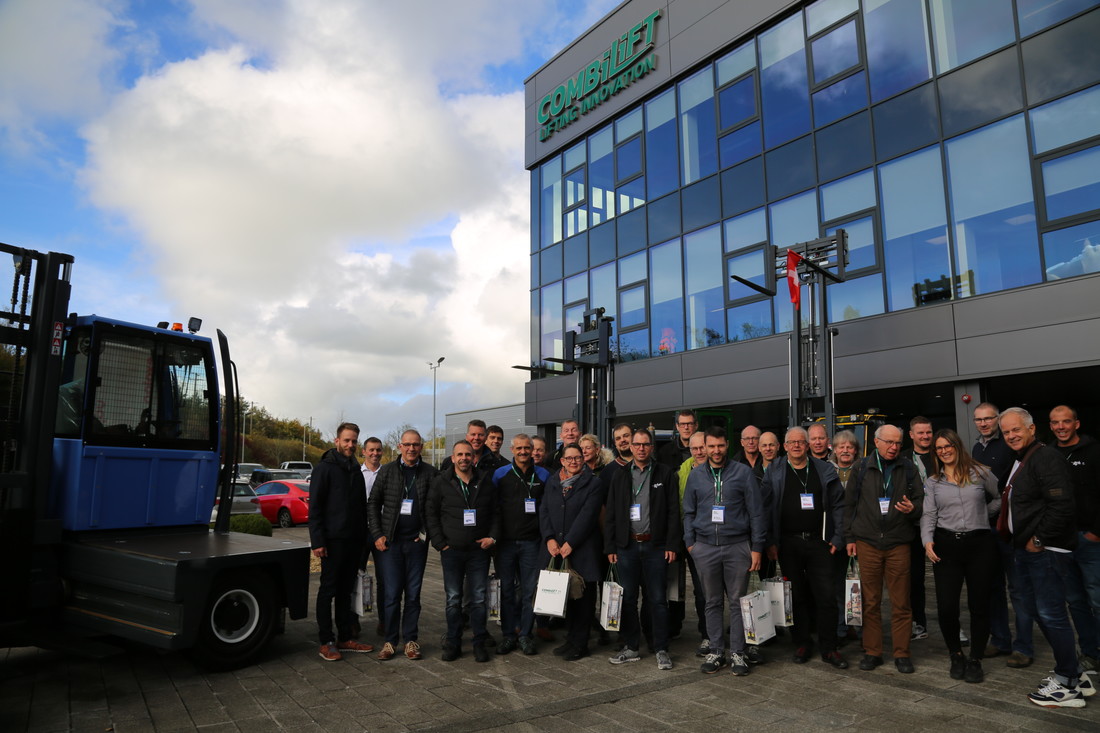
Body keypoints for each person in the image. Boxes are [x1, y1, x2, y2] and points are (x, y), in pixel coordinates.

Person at [998, 407, 1086, 707]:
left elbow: (1062, 505)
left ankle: (1067, 683)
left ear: (1032, 429)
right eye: (1006, 431)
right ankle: (1074, 671)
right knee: (1040, 611)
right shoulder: (1025, 458)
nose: (1011, 435)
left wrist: (1039, 539)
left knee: (1051, 614)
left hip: (1045, 551)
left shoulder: (1045, 457)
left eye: (1016, 429)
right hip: (1029, 550)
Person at [683, 426, 766, 677]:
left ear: (727, 445)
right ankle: (717, 650)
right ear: (704, 448)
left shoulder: (742, 473)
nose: (716, 451)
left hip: (737, 545)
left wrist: (757, 547)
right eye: (711, 446)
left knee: (738, 601)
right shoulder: (696, 475)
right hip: (705, 546)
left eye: (720, 445)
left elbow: (756, 512)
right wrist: (691, 544)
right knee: (712, 601)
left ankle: (738, 652)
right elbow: (688, 511)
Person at [764, 427, 848, 669]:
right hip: (788, 543)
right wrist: (770, 541)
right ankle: (802, 642)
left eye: (801, 442)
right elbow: (766, 507)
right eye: (792, 442)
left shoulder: (823, 470)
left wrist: (838, 536)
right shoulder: (775, 470)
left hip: (820, 542)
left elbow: (839, 506)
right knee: (797, 596)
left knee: (826, 597)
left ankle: (829, 648)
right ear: (785, 446)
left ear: (808, 445)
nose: (797, 446)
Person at [921, 429, 1000, 683]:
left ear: (957, 446)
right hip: (947, 545)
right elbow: (929, 514)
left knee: (979, 605)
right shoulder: (933, 481)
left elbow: (1000, 497)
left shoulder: (981, 472)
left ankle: (975, 658)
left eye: (948, 446)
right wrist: (927, 540)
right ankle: (955, 654)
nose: (943, 451)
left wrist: (982, 515)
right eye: (939, 448)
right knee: (946, 607)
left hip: (980, 546)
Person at [844, 424, 923, 674]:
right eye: (889, 442)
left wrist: (914, 509)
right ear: (876, 442)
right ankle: (873, 651)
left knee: (901, 602)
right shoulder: (861, 467)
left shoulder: (908, 467)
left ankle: (902, 653)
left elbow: (922, 499)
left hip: (898, 542)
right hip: (867, 542)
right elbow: (849, 505)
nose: (894, 447)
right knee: (871, 601)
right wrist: (850, 538)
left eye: (898, 443)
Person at [604, 428, 681, 670]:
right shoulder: (620, 475)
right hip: (626, 547)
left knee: (657, 599)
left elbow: (673, 513)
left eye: (645, 444)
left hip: (655, 547)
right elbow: (612, 513)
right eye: (636, 444)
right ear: (631, 446)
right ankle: (631, 646)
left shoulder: (665, 473)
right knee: (627, 599)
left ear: (651, 447)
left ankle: (660, 648)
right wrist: (611, 546)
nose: (640, 448)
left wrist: (671, 544)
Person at [367, 428, 436, 661]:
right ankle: (389, 641)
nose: (411, 448)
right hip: (391, 544)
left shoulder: (430, 473)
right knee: (392, 594)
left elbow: (435, 508)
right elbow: (373, 504)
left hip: (417, 545)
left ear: (421, 447)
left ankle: (410, 640)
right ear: (399, 447)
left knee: (414, 595)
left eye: (415, 444)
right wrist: (377, 534)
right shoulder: (387, 471)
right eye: (407, 444)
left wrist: (425, 534)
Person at [427, 440, 496, 662]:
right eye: (460, 454)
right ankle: (453, 643)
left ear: (474, 457)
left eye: (468, 454)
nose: (464, 458)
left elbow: (497, 512)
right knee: (453, 599)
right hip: (452, 551)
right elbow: (431, 514)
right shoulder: (441, 481)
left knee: (478, 599)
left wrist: (492, 537)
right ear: (453, 457)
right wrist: (440, 543)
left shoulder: (485, 481)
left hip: (478, 551)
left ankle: (478, 643)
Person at [310, 422, 372, 661]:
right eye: (347, 440)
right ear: (337, 441)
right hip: (331, 541)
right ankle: (326, 641)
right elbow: (315, 507)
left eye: (354, 441)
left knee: (346, 592)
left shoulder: (354, 468)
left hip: (353, 541)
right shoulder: (324, 469)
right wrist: (318, 541)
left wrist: (363, 537)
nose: (351, 445)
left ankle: (345, 637)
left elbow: (360, 506)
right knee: (328, 590)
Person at [973, 401, 1028, 664]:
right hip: (987, 529)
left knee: (1018, 589)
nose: (983, 423)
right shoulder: (975, 448)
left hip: (1009, 528)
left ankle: (1024, 647)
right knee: (993, 588)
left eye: (988, 418)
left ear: (998, 419)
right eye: (979, 420)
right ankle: (1000, 641)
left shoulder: (1010, 445)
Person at [540, 443, 604, 660]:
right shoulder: (553, 481)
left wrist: (571, 541)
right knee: (568, 598)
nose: (574, 462)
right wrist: (549, 538)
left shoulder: (594, 483)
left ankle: (580, 643)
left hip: (582, 549)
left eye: (578, 458)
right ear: (562, 461)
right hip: (557, 549)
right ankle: (571, 639)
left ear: (583, 459)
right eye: (569, 458)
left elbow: (588, 515)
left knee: (584, 599)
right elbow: (545, 510)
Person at [1050, 404, 1100, 671]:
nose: (1061, 427)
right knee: (1077, 603)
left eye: (1066, 422)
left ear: (1076, 424)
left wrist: (1095, 533)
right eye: (1056, 423)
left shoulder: (1094, 451)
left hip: (1090, 540)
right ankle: (1091, 653)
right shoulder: (1047, 454)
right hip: (1062, 543)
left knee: (1098, 600)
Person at [490, 434, 549, 656]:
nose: (524, 452)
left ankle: (525, 634)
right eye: (519, 448)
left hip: (532, 543)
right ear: (512, 449)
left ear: (533, 450)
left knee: (528, 591)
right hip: (505, 544)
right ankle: (508, 635)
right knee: (506, 591)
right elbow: (492, 506)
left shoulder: (544, 475)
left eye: (527, 448)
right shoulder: (500, 474)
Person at [677, 431, 711, 656]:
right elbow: (682, 507)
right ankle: (707, 635)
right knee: (702, 591)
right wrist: (689, 542)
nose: (699, 452)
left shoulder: (724, 468)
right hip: (695, 542)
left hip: (721, 540)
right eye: (694, 449)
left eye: (702, 448)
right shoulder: (683, 470)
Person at [901, 416, 935, 643]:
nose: (925, 436)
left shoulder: (941, 453)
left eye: (928, 432)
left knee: (947, 579)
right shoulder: (903, 458)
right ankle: (918, 622)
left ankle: (954, 625)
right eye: (920, 433)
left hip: (940, 525)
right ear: (911, 434)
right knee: (914, 579)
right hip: (911, 526)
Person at [831, 430, 861, 646]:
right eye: (841, 447)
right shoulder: (827, 471)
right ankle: (842, 629)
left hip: (860, 538)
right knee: (838, 587)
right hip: (836, 540)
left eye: (849, 447)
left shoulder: (863, 471)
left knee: (859, 587)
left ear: (856, 450)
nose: (845, 450)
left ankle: (861, 631)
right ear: (834, 449)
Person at [353, 436, 385, 637]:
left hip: (381, 533)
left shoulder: (388, 473)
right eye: (371, 450)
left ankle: (385, 620)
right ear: (363, 452)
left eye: (378, 450)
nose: (375, 453)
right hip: (360, 532)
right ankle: (353, 620)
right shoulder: (356, 473)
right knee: (356, 576)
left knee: (385, 578)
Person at [441, 419, 506, 473]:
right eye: (473, 434)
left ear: (485, 437)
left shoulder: (495, 463)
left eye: (480, 435)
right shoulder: (449, 462)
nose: (476, 438)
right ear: (466, 436)